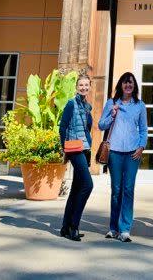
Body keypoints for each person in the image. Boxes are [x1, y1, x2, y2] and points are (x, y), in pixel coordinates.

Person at [98, 72, 148, 243]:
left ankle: (125, 229)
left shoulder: (139, 105)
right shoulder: (112, 103)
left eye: (131, 83)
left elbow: (143, 129)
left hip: (133, 153)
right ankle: (113, 228)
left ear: (134, 87)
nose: (128, 86)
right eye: (125, 83)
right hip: (115, 152)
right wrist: (111, 114)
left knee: (128, 189)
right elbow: (100, 125)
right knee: (116, 190)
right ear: (120, 85)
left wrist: (141, 147)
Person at [58, 72, 94, 241]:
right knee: (88, 185)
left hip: (85, 149)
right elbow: (63, 127)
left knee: (76, 189)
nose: (84, 87)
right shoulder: (71, 104)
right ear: (76, 87)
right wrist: (64, 149)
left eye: (86, 85)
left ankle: (65, 227)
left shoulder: (87, 106)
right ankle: (74, 226)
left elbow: (87, 128)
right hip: (74, 149)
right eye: (81, 85)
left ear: (90, 87)